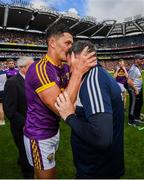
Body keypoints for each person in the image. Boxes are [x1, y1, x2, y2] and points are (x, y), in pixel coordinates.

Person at [23, 23, 96, 179]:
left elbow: (74, 99)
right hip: (39, 135)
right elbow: (61, 108)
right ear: (52, 43)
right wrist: (77, 72)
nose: (71, 48)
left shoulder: (63, 68)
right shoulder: (39, 69)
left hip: (53, 130)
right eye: (67, 43)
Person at [55, 40, 125, 179]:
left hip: (97, 170)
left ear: (74, 57)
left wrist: (69, 116)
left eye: (68, 61)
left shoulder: (94, 80)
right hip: (100, 166)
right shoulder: (96, 75)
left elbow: (102, 138)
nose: (67, 66)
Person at [3, 56, 34, 179]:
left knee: (28, 151)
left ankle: (22, 161)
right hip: (21, 126)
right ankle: (28, 174)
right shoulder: (12, 83)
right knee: (25, 151)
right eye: (31, 66)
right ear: (22, 68)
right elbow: (9, 110)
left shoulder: (31, 80)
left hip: (32, 123)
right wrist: (25, 123)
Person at [127, 54, 144, 126]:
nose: (143, 60)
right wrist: (136, 89)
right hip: (134, 90)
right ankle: (131, 120)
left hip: (138, 89)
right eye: (141, 59)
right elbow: (129, 81)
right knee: (133, 105)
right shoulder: (133, 69)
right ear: (136, 60)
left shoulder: (138, 67)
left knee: (139, 103)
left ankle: (136, 117)